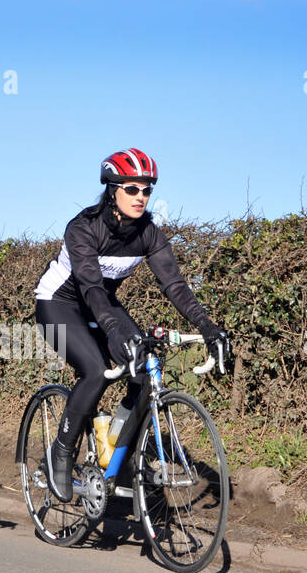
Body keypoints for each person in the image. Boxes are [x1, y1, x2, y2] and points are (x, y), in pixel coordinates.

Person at [33, 148, 229, 501]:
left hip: (101, 305)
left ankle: (119, 458)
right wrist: (112, 330)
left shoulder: (148, 233)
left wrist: (207, 327)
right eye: (132, 189)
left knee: (144, 373)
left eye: (147, 190)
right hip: (59, 305)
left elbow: (175, 285)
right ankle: (59, 454)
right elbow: (91, 286)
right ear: (112, 189)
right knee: (94, 371)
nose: (141, 197)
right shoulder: (83, 228)